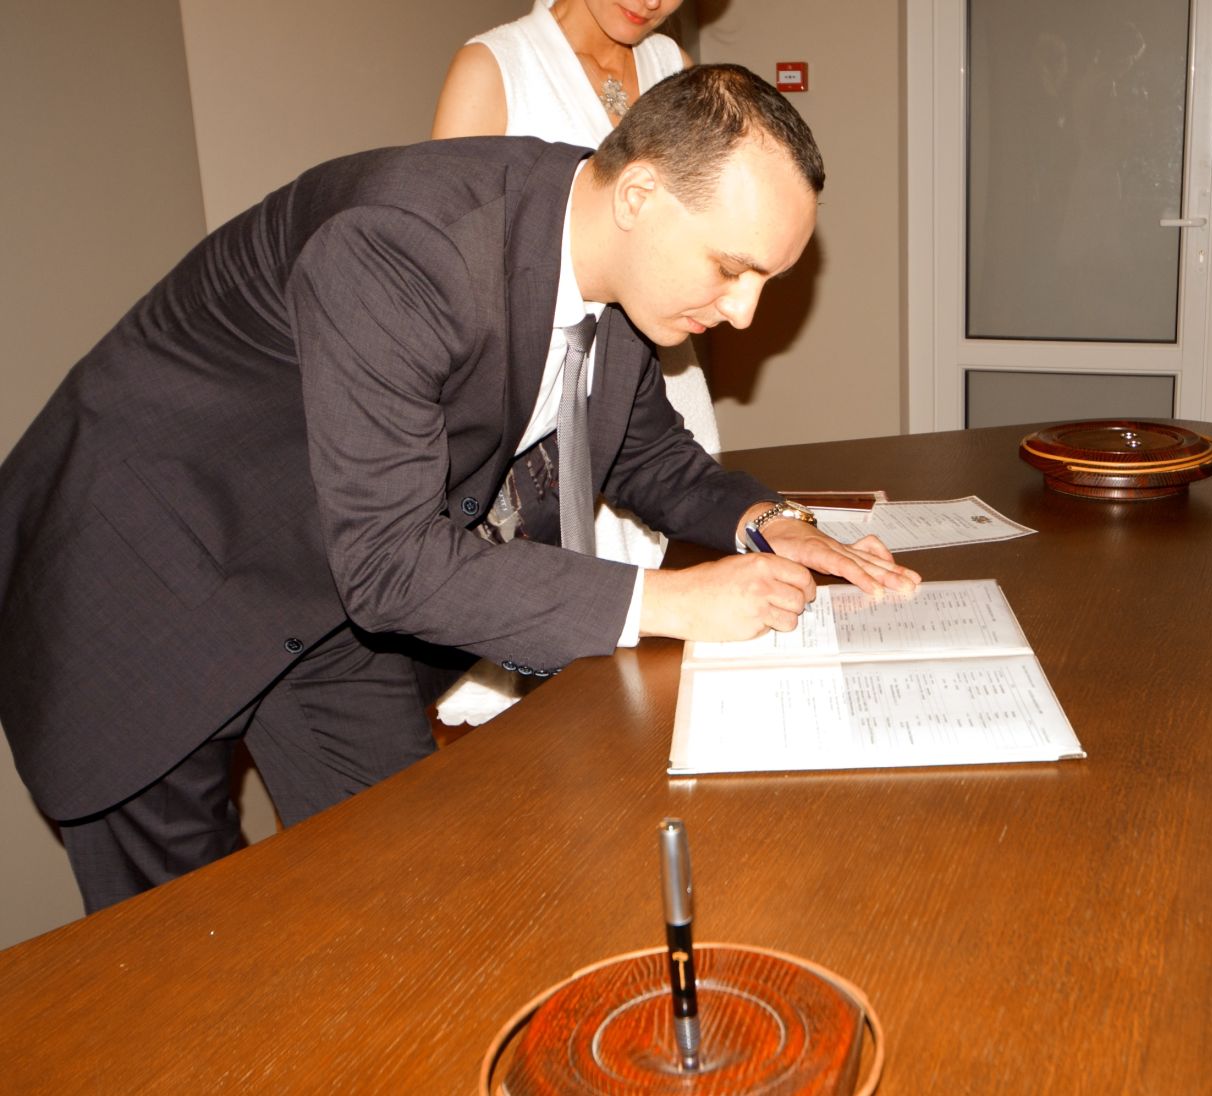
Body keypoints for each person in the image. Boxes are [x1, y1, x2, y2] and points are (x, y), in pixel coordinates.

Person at [0, 64, 920, 914]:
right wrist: (673, 600)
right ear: (640, 195)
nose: (746, 312)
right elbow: (393, 562)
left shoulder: (620, 273)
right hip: (142, 577)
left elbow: (645, 454)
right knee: (188, 943)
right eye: (730, 268)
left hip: (329, 582)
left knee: (418, 884)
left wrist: (772, 523)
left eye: (766, 279)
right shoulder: (407, 247)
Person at [433, 0, 717, 572]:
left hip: (666, 394)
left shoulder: (675, 67)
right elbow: (448, 276)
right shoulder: (495, 67)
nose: (652, 1)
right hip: (547, 410)